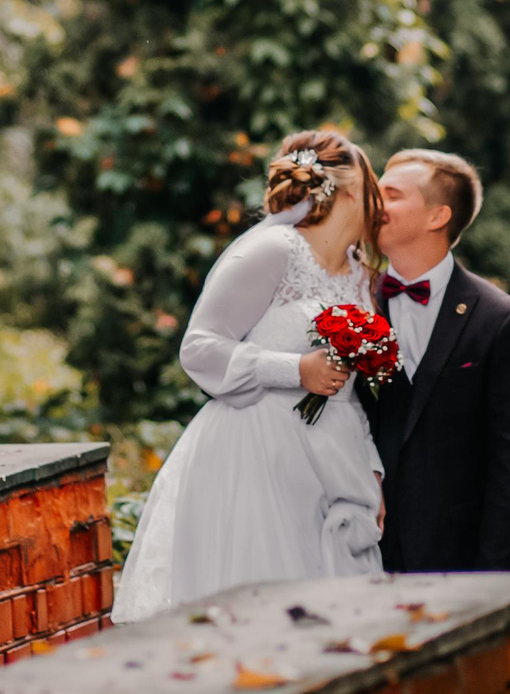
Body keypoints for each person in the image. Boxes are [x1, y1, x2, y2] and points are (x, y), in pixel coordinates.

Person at [109, 130, 390, 624]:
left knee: (339, 616)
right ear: (349, 190)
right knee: (267, 611)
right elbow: (199, 347)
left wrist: (371, 467)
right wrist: (294, 369)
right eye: (375, 184)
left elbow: (351, 389)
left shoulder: (360, 273)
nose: (382, 201)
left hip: (335, 459)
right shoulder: (271, 250)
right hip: (257, 458)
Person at [367, 149, 510, 572]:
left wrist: (493, 582)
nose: (375, 205)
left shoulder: (499, 320)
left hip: (453, 558)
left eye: (390, 195)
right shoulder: (346, 303)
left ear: (437, 216)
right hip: (356, 550)